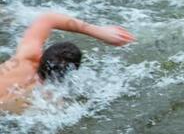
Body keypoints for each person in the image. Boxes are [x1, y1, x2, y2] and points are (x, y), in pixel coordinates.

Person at [0, 12, 135, 114]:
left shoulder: (26, 57)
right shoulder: (50, 99)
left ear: (42, 55)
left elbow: (47, 18)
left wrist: (101, 32)